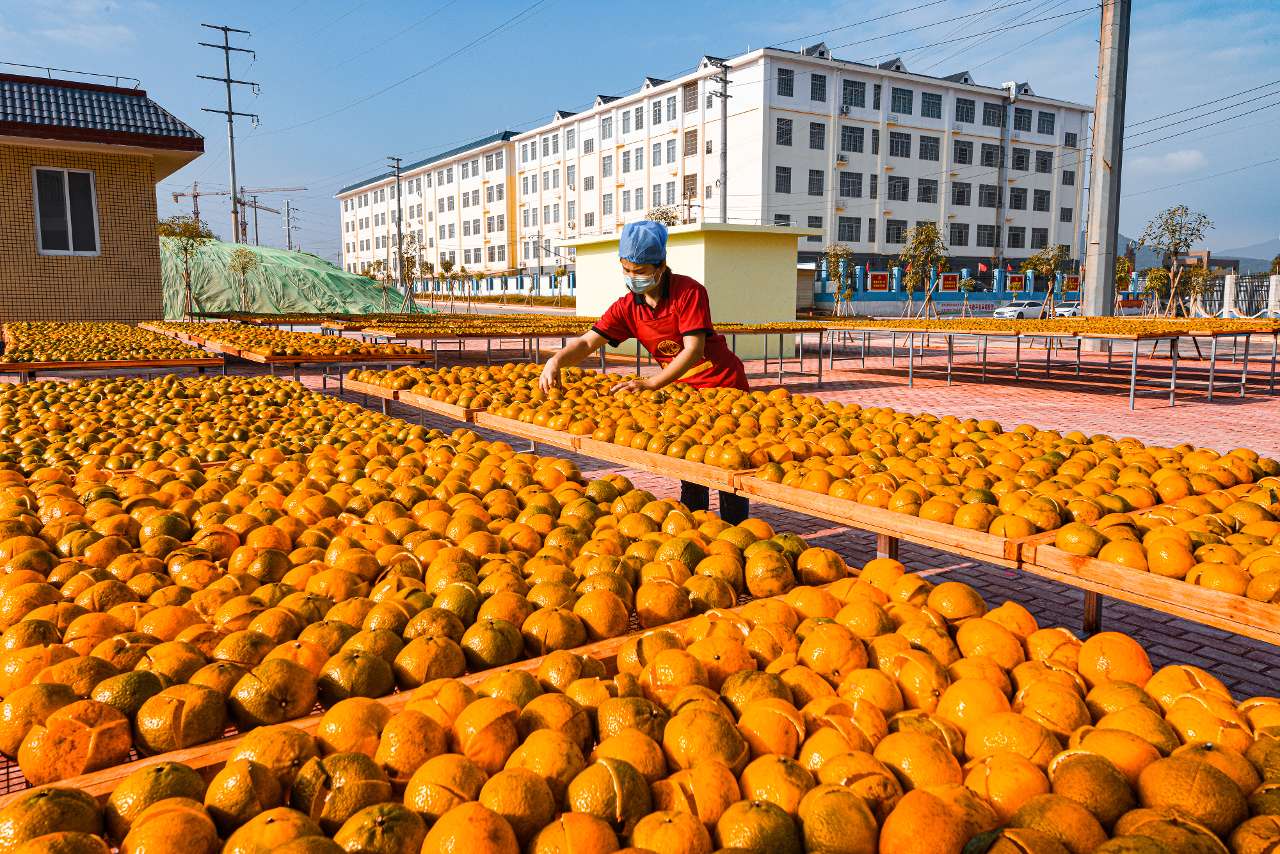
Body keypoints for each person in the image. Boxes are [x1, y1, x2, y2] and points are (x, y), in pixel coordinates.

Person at [538, 220, 751, 524]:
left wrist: (652, 383)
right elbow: (588, 341)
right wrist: (555, 361)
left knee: (730, 468)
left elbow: (693, 351)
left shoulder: (688, 292)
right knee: (688, 464)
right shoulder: (628, 307)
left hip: (724, 387)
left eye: (639, 271)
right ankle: (696, 527)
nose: (632, 277)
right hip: (683, 393)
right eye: (626, 270)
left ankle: (737, 531)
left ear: (661, 265)